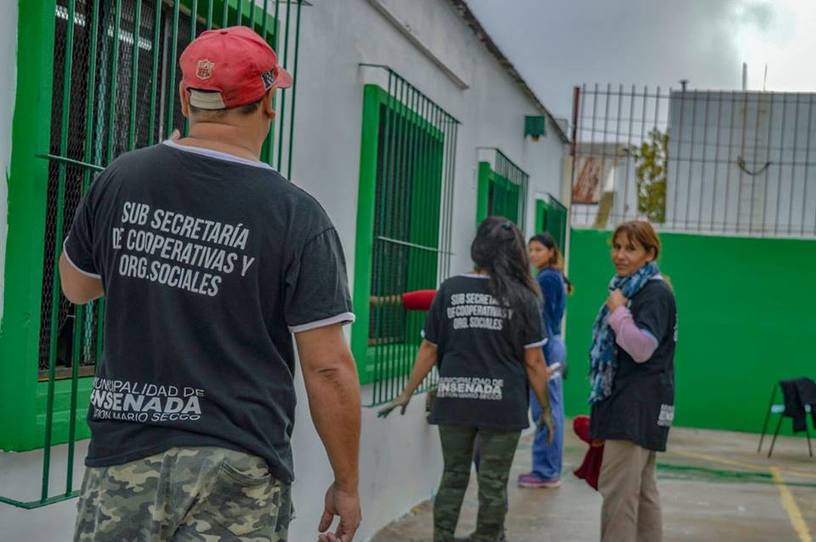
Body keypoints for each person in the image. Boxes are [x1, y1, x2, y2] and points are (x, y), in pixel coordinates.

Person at [60, 27, 361, 542]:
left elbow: (76, 288)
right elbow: (328, 366)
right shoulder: (297, 216)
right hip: (236, 459)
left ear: (184, 97)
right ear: (269, 103)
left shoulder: (121, 178)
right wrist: (347, 482)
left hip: (124, 452)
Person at [379, 217, 554, 542]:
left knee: (453, 476)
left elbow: (430, 348)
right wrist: (545, 408)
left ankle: (442, 537)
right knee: (493, 482)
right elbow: (534, 362)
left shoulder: (450, 289)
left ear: (478, 249)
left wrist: (407, 392)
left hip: (456, 401)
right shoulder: (524, 297)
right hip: (504, 406)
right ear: (516, 252)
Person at [588, 220, 677, 542]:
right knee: (641, 492)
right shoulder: (638, 288)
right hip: (644, 404)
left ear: (649, 253)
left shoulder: (651, 293)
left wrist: (618, 313)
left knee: (620, 495)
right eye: (616, 246)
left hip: (635, 405)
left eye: (630, 248)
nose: (620, 255)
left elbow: (642, 348)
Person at [518, 232, 571, 489]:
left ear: (551, 252)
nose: (532, 254)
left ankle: (546, 472)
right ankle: (548, 470)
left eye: (538, 249)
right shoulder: (554, 276)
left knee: (545, 410)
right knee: (551, 408)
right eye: (530, 249)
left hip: (548, 346)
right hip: (555, 344)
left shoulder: (547, 278)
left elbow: (541, 320)